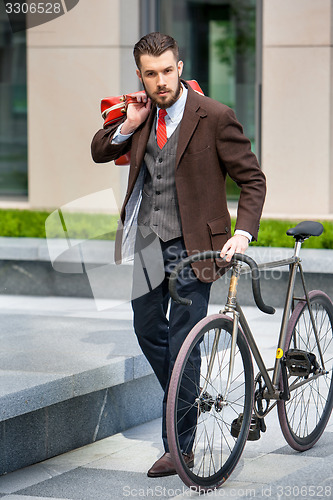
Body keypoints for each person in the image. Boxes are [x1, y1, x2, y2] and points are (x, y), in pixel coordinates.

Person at [91, 32, 266, 478]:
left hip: (200, 246)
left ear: (180, 68)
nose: (161, 80)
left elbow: (253, 180)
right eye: (151, 74)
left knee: (184, 340)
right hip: (150, 241)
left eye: (167, 70)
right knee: (148, 328)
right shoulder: (142, 114)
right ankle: (185, 394)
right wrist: (128, 123)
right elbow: (99, 150)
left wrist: (243, 233)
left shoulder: (215, 116)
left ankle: (180, 446)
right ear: (141, 76)